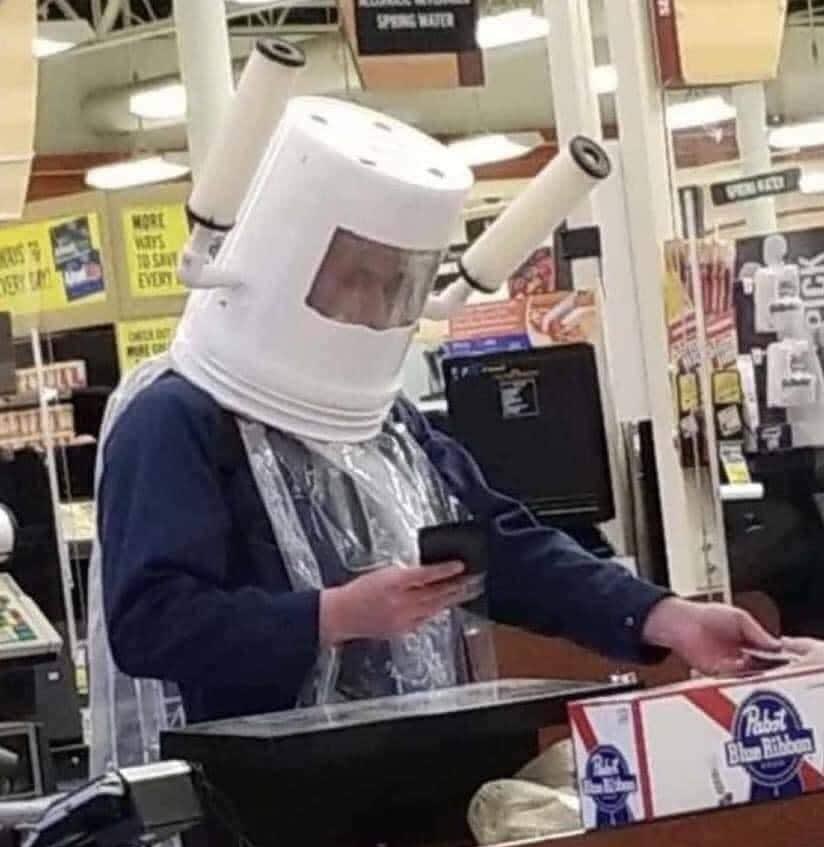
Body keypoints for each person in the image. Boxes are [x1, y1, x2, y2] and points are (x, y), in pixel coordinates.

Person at [88, 96, 785, 774]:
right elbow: (151, 623)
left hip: (424, 764)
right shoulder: (176, 420)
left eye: (395, 284)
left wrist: (663, 616)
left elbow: (499, 548)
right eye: (354, 278)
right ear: (285, 267)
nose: (373, 305)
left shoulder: (384, 423)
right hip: (262, 799)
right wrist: (330, 617)